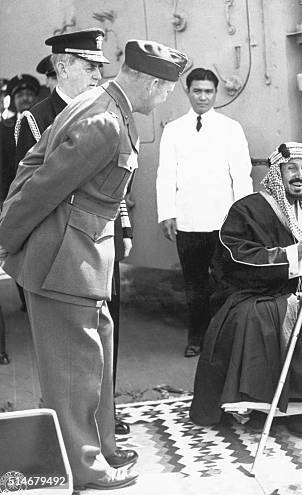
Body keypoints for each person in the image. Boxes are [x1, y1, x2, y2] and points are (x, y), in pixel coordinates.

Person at [0, 39, 187, 490]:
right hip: (64, 260)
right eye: (165, 89)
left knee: (94, 361)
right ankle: (83, 469)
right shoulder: (104, 119)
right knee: (73, 374)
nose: (165, 99)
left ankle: (100, 446)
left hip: (84, 256)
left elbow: (36, 163)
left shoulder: (103, 106)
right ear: (147, 81)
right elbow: (41, 182)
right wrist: (6, 241)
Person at [189, 141, 302, 437]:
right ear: (277, 173)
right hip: (258, 290)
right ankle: (262, 407)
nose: (299, 175)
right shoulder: (248, 209)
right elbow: (235, 258)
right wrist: (295, 253)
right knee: (261, 315)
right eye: (291, 169)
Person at [14, 28, 133, 436]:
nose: (97, 75)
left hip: (100, 238)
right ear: (62, 66)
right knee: (67, 354)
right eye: (88, 66)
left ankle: (104, 420)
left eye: (100, 66)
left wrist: (126, 224)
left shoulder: (103, 109)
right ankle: (68, 436)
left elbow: (111, 182)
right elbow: (33, 190)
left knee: (103, 338)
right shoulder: (37, 119)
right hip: (59, 250)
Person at [156, 67, 253, 358]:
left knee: (226, 283)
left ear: (215, 93)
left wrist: (243, 218)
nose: (203, 97)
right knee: (194, 285)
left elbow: (242, 175)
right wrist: (167, 213)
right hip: (188, 221)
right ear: (188, 92)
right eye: (197, 91)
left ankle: (225, 338)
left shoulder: (230, 128)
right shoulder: (173, 130)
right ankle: (196, 338)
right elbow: (165, 175)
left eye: (208, 91)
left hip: (223, 222)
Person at [0, 74, 39, 202]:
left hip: (38, 190)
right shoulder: (4, 128)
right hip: (10, 193)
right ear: (13, 100)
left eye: (29, 94)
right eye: (19, 96)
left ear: (36, 98)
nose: (25, 99)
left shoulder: (44, 124)